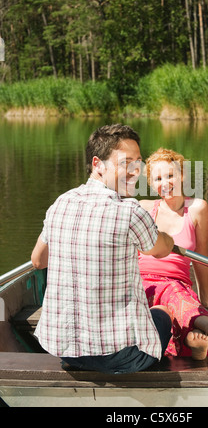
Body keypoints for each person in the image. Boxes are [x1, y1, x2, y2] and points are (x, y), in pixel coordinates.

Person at [31, 124, 174, 374]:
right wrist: (169, 238)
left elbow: (38, 261)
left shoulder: (60, 203)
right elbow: (161, 249)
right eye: (126, 163)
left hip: (66, 352)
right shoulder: (130, 211)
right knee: (162, 312)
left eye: (138, 162)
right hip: (122, 357)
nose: (135, 171)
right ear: (97, 164)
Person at [139, 148, 208, 360]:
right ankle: (201, 332)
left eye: (170, 175)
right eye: (157, 178)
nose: (164, 183)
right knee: (167, 298)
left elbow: (202, 257)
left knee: (173, 293)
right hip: (143, 284)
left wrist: (206, 299)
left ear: (182, 175)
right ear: (151, 184)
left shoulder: (197, 208)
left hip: (177, 284)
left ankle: (195, 343)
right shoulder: (144, 208)